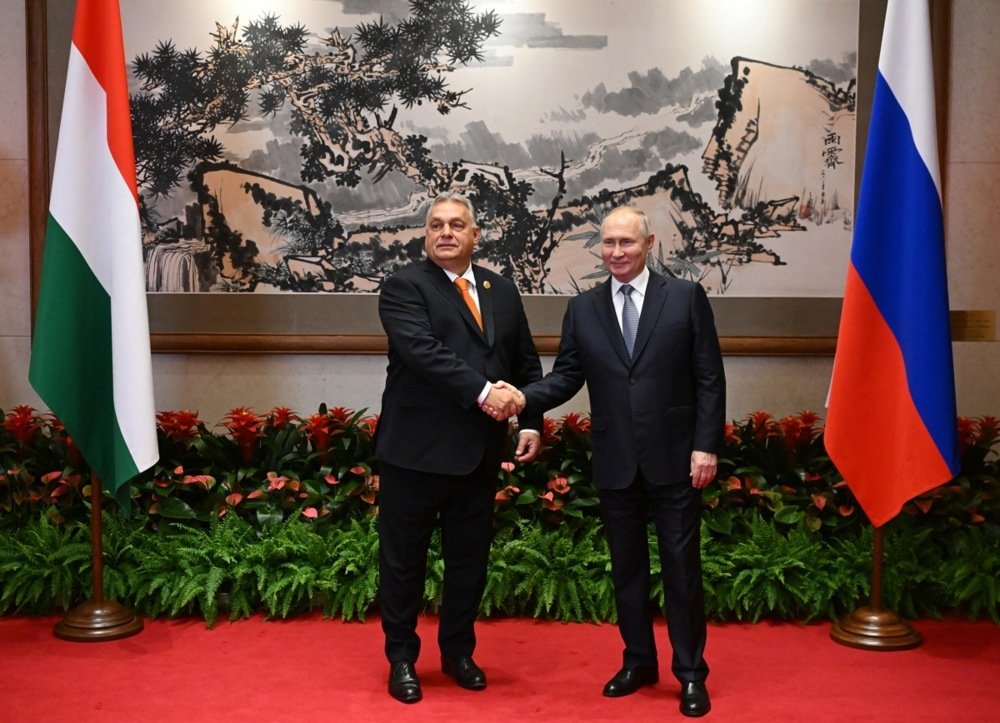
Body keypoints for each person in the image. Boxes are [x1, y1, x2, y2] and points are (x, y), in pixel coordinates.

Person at [493, 205, 725, 717]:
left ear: (649, 244)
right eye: (608, 244)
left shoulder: (685, 299)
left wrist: (706, 445)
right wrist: (522, 400)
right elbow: (567, 376)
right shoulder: (584, 308)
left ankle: (690, 674)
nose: (616, 252)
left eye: (627, 242)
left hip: (676, 460)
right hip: (616, 460)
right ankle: (639, 661)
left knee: (681, 571)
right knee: (627, 571)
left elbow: (709, 377)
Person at [375, 192, 542, 704]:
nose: (445, 233)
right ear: (425, 235)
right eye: (435, 225)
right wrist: (486, 392)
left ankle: (458, 653)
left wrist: (530, 420)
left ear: (475, 234)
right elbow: (424, 354)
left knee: (468, 560)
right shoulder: (404, 286)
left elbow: (526, 363)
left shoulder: (501, 289)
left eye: (456, 225)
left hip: (478, 454)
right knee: (404, 562)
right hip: (414, 454)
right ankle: (402, 658)